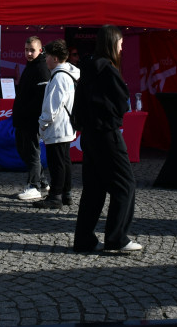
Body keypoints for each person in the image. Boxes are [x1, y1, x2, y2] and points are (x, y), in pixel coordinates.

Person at [73, 25, 141, 253]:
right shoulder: (108, 70)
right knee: (125, 185)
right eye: (120, 43)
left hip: (90, 136)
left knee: (94, 189)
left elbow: (79, 105)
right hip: (106, 134)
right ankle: (117, 238)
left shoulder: (88, 68)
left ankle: (84, 239)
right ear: (113, 44)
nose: (122, 49)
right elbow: (122, 103)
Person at [35, 39, 79, 209]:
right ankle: (65, 194)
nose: (45, 59)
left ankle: (55, 196)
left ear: (54, 58)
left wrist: (42, 124)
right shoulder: (68, 73)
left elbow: (52, 106)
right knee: (64, 161)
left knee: (57, 163)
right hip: (65, 125)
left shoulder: (59, 77)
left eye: (47, 56)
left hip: (58, 126)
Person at [12, 36, 50, 201]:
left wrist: (30, 114)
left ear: (40, 50)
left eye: (32, 50)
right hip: (23, 119)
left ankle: (34, 186)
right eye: (26, 49)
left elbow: (40, 98)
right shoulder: (31, 66)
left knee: (32, 152)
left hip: (31, 120)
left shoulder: (41, 68)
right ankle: (42, 182)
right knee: (24, 150)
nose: (28, 53)